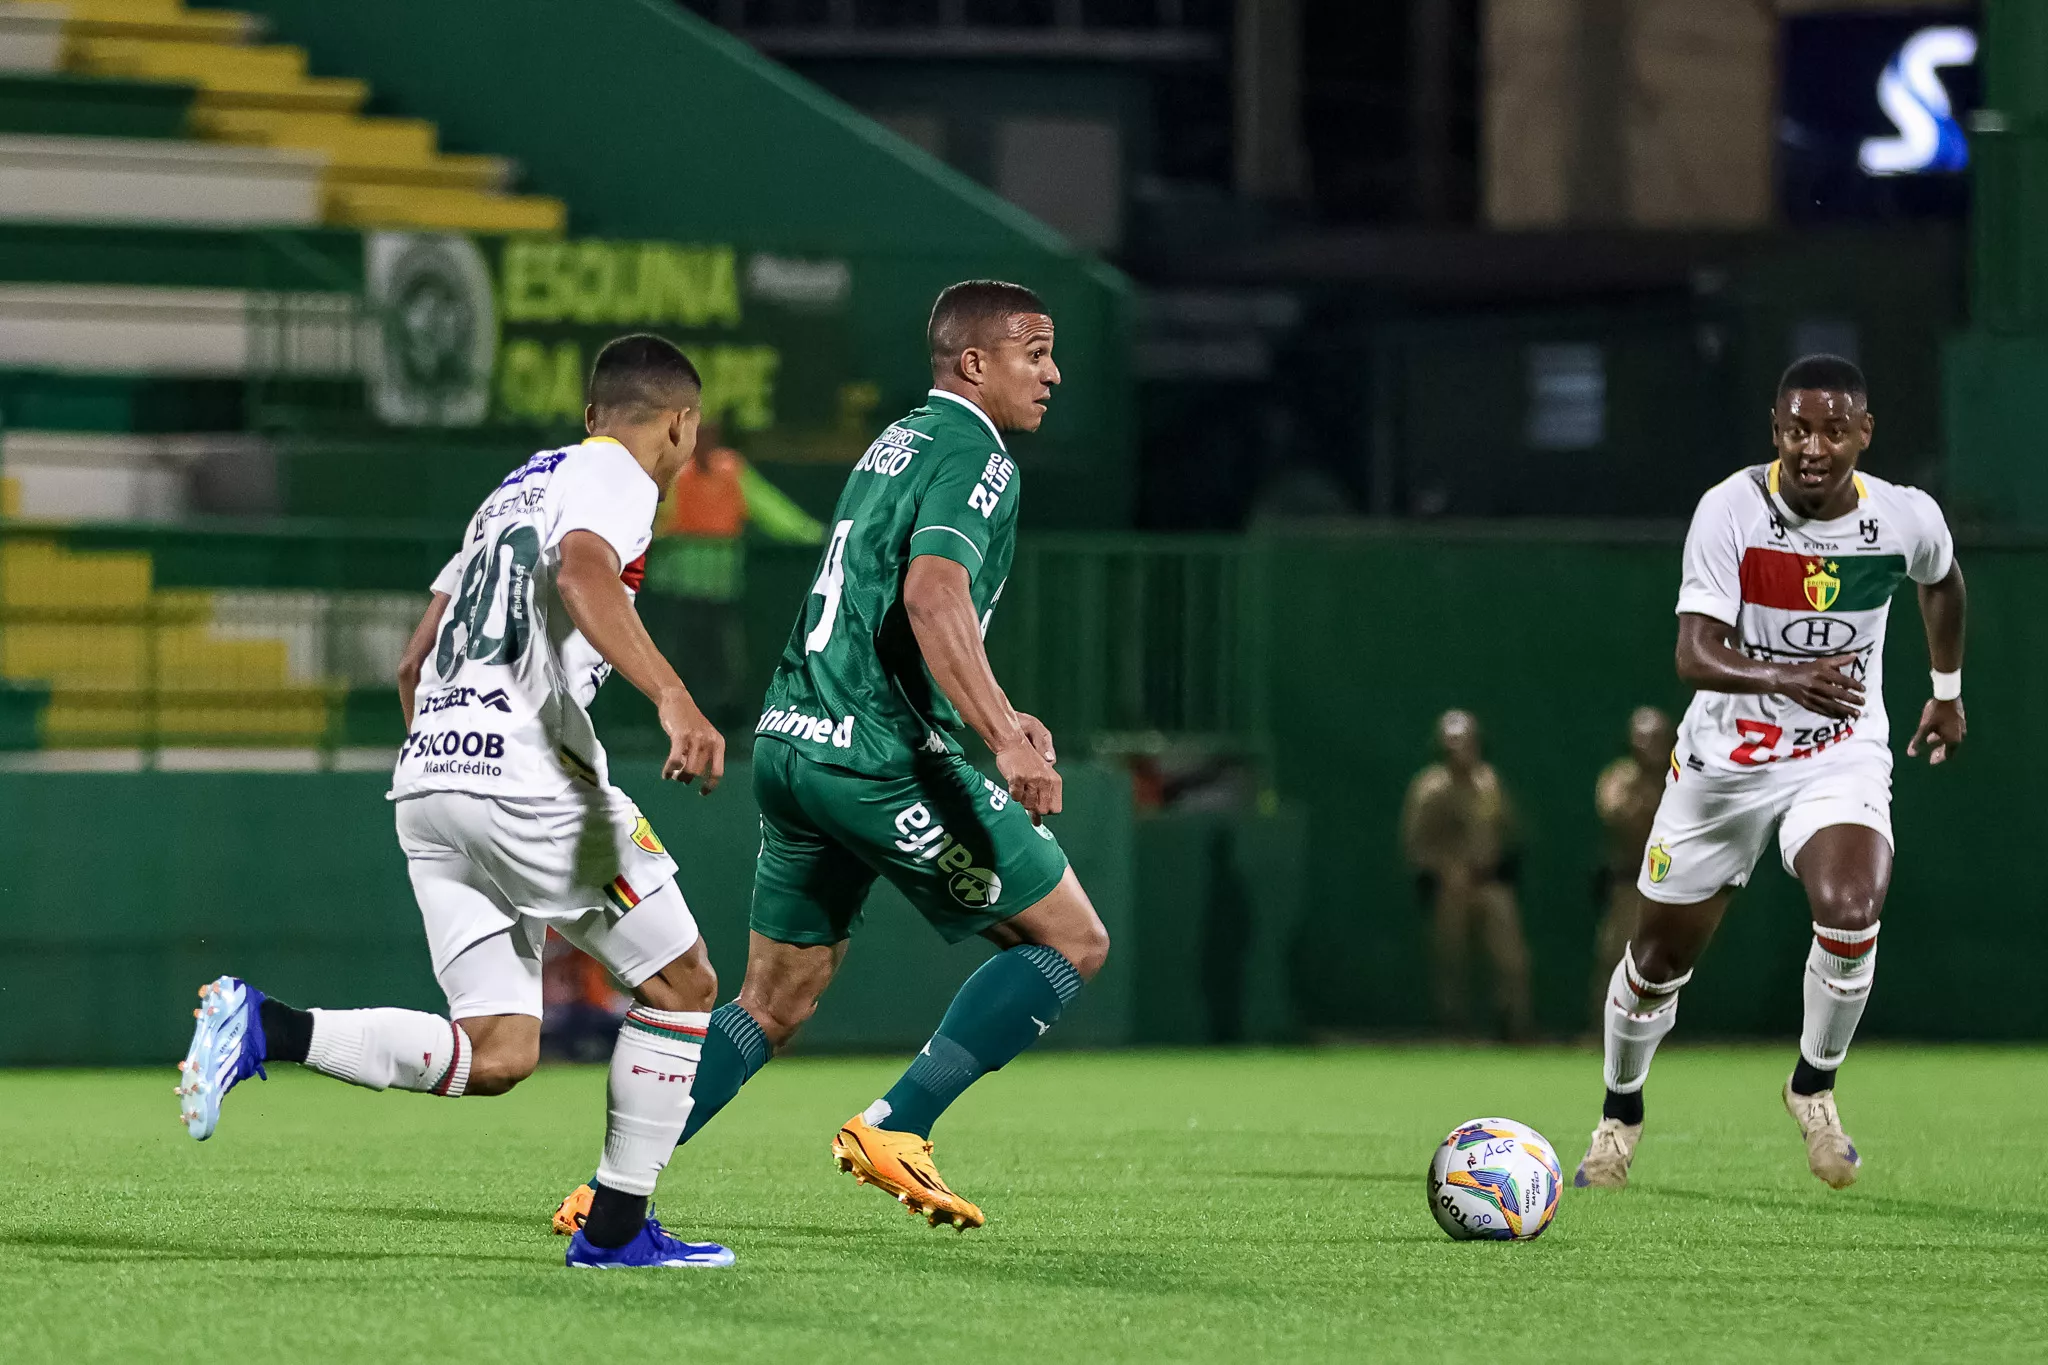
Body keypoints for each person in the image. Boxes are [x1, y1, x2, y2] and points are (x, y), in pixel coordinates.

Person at [551, 280, 1109, 1235]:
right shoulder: (980, 456)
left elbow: (884, 610)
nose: (1052, 371)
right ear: (975, 363)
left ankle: (609, 1192)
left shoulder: (894, 443)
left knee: (775, 996)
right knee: (1071, 938)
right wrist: (1005, 738)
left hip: (793, 739)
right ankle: (900, 1123)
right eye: (1035, 349)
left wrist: (1003, 704)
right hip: (878, 755)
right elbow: (935, 600)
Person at [176, 335, 739, 1270]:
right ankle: (615, 1235)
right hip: (529, 776)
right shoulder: (618, 475)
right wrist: (675, 697)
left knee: (502, 1048)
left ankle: (265, 1024)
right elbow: (584, 573)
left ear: (589, 410)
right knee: (684, 985)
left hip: (431, 777)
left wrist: (449, 750)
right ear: (679, 425)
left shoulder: (512, 488)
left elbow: (414, 655)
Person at [1575, 354, 1966, 1192]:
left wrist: (1946, 690)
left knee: (1853, 906)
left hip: (1839, 751)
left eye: (1831, 428)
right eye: (1796, 428)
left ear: (1864, 431)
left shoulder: (1904, 517)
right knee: (1655, 961)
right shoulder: (1731, 510)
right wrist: (1790, 677)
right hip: (1725, 764)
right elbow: (1692, 653)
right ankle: (1621, 1111)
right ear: (1775, 430)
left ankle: (1813, 1087)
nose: (1812, 446)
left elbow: (1943, 582)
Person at [639, 424, 824, 729]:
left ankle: (724, 724)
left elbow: (772, 509)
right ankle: (667, 721)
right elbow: (648, 517)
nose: (702, 443)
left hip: (721, 590)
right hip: (676, 592)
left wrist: (812, 534)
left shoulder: (731, 470)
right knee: (676, 658)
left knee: (724, 660)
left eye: (709, 436)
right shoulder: (671, 472)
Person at [1400, 709, 1533, 1040]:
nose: (1459, 750)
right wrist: (1443, 870)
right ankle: (1453, 1026)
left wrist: (1501, 861)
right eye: (1452, 743)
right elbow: (1415, 845)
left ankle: (1512, 1024)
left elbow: (1510, 830)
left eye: (1466, 742)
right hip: (1451, 889)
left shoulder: (1489, 783)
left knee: (1510, 959)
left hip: (1490, 884)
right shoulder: (1429, 789)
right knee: (1451, 961)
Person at [1588, 707, 1675, 1023]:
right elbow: (1615, 814)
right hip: (1629, 883)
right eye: (1641, 738)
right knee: (1616, 959)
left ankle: (1660, 1029)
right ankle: (1602, 1029)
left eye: (1654, 739)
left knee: (1668, 960)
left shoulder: (1679, 776)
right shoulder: (1620, 778)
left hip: (1672, 885)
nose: (1646, 745)